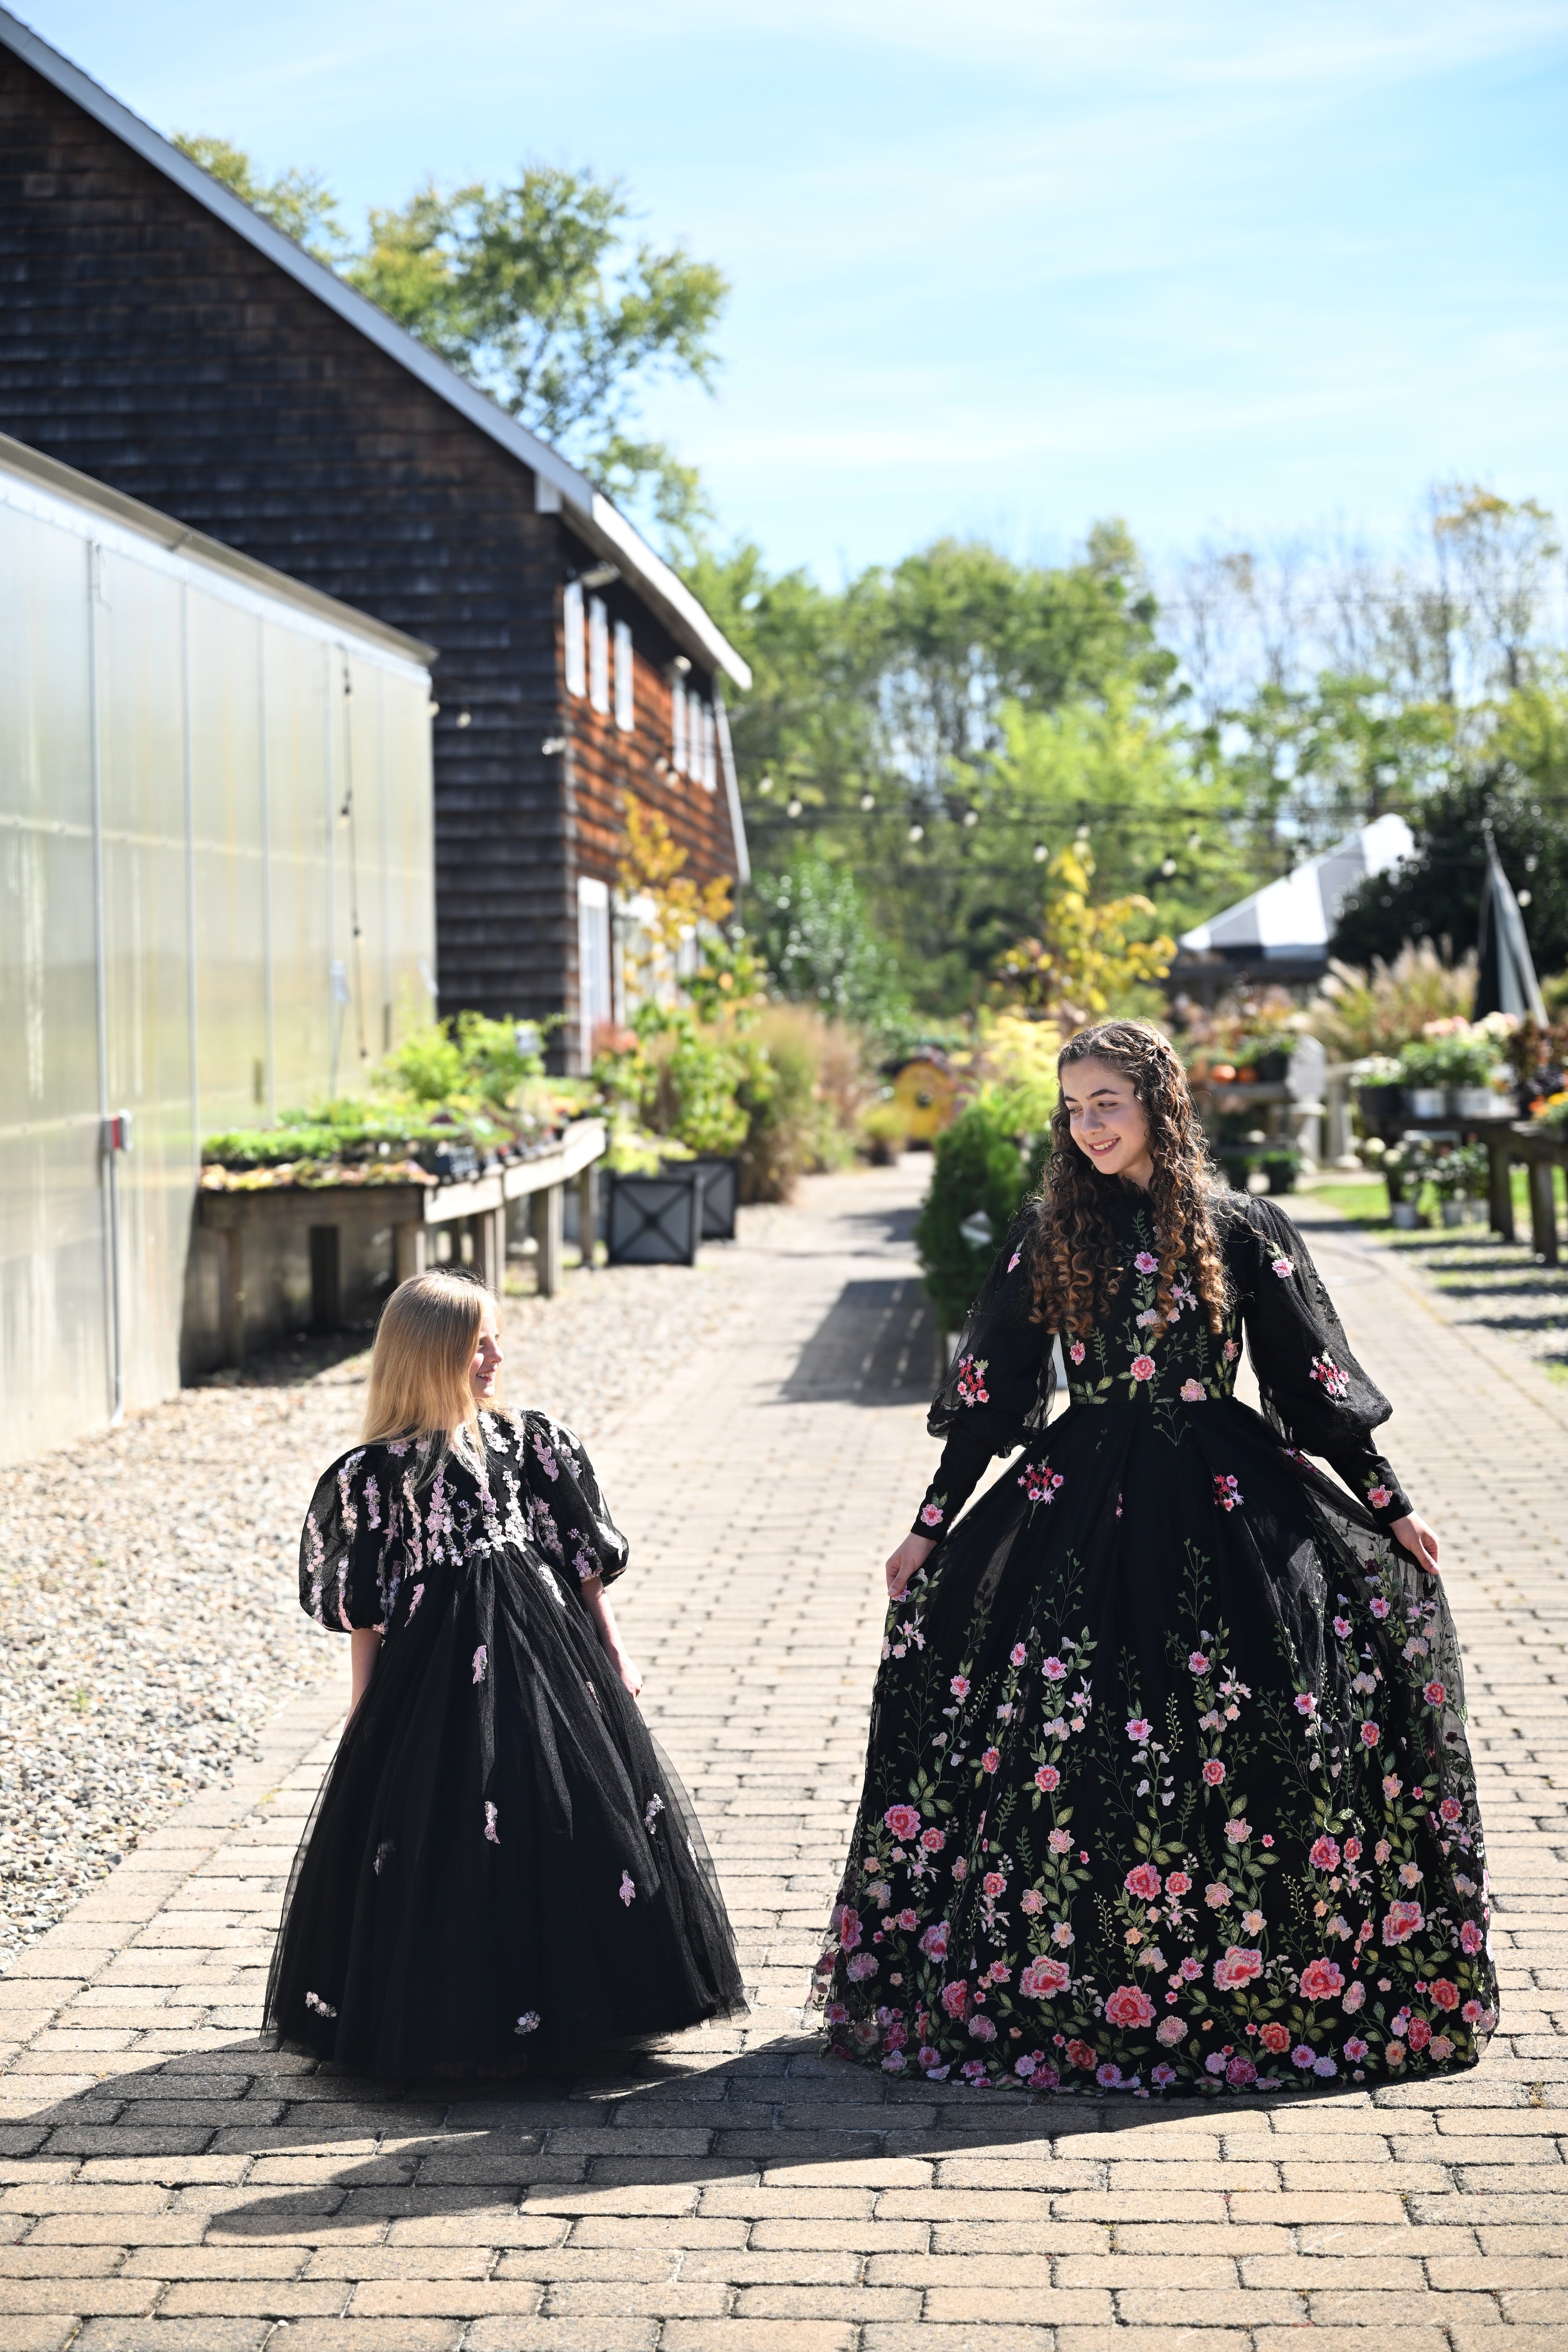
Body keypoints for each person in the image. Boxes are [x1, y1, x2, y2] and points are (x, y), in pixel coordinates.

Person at [813, 1020, 1497, 2097]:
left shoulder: (1237, 1229)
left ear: (1158, 1106)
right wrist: (929, 1526)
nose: (1087, 1125)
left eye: (1107, 1102)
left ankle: (1257, 1982)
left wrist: (1388, 1503)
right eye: (1073, 1106)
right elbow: (990, 1400)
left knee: (1245, 1710)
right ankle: (1072, 1980)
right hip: (1078, 1487)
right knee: (1071, 1721)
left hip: (1223, 1490)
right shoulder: (1049, 1236)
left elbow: (1307, 1379)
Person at [265, 1268, 745, 2074]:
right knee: (446, 1823)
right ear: (430, 1354)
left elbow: (578, 1557)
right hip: (436, 1671)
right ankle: (461, 2005)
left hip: (543, 1652)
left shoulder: (527, 1441)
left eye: (494, 1337)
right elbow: (368, 1606)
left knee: (563, 1806)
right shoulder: (372, 1475)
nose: (495, 1355)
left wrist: (613, 1650)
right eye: (476, 1342)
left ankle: (584, 1999)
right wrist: (365, 1709)